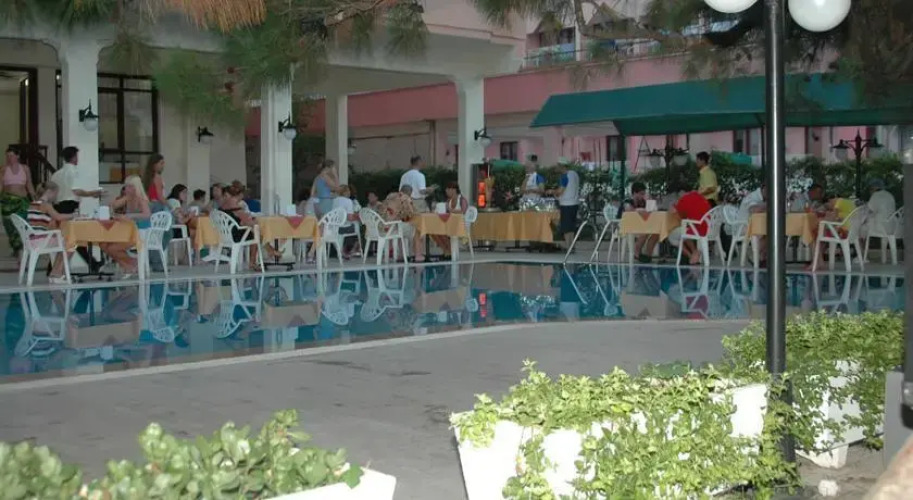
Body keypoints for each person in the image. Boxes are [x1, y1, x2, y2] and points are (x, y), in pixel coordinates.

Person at [50, 146, 104, 271]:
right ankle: (91, 263)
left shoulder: (56, 174)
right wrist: (92, 193)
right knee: (73, 236)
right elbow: (76, 190)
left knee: (69, 237)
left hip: (58, 206)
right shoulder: (73, 172)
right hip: (70, 206)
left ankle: (92, 263)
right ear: (74, 157)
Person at [25, 181, 75, 283]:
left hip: (32, 239)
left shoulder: (33, 203)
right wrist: (74, 215)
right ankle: (57, 273)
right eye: (55, 193)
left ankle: (55, 272)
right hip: (40, 241)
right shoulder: (46, 205)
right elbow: (58, 217)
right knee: (71, 243)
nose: (56, 196)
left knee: (65, 241)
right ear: (49, 192)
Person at [103, 175, 151, 278]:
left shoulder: (141, 199)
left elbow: (147, 214)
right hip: (129, 231)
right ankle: (129, 266)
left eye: (129, 186)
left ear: (136, 187)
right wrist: (115, 202)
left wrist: (130, 216)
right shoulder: (128, 198)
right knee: (103, 244)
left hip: (140, 233)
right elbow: (114, 205)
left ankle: (131, 264)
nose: (126, 189)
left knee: (112, 248)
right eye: (126, 186)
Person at [219, 183, 274, 267]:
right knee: (255, 231)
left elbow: (237, 220)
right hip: (235, 235)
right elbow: (249, 221)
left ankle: (270, 250)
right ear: (240, 194)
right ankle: (257, 258)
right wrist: (253, 221)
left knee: (254, 231)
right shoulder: (235, 206)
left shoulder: (224, 205)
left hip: (226, 234)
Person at [1, 147, 36, 258]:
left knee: (23, 224)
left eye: (11, 156)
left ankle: (24, 247)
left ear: (17, 156)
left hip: (22, 201)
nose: (9, 158)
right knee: (9, 225)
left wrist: (34, 198)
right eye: (7, 156)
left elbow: (29, 184)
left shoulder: (25, 168)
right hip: (8, 201)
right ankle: (16, 247)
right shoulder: (3, 169)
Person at [667, 190, 712, 265]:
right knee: (685, 231)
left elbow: (681, 217)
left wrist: (675, 207)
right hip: (711, 229)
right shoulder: (700, 196)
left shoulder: (683, 201)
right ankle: (694, 252)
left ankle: (690, 255)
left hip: (699, 230)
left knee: (672, 237)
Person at [426, 182, 470, 260]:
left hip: (461, 225)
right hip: (450, 224)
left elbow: (463, 211)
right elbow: (445, 212)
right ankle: (446, 250)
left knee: (441, 230)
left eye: (448, 189)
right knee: (433, 231)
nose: (446, 191)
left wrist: (450, 210)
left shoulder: (462, 200)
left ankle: (449, 251)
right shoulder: (449, 201)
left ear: (453, 190)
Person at [618, 182, 657, 263]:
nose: (643, 196)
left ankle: (647, 255)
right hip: (624, 226)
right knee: (645, 230)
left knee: (656, 232)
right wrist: (639, 210)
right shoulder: (627, 201)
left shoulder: (642, 203)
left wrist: (649, 202)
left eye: (644, 194)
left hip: (639, 226)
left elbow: (651, 212)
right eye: (641, 194)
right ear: (635, 193)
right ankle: (636, 252)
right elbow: (629, 210)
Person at [547, 162, 580, 250]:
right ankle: (572, 245)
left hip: (566, 204)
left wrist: (552, 191)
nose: (556, 169)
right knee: (571, 226)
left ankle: (568, 245)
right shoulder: (574, 174)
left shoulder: (564, 176)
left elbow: (560, 191)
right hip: (575, 203)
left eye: (557, 167)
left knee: (566, 227)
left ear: (562, 167)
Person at [331, 185, 361, 259]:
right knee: (359, 226)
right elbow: (350, 218)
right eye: (348, 191)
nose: (350, 192)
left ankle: (342, 251)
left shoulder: (334, 200)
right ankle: (357, 249)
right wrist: (358, 217)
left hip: (334, 227)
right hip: (344, 228)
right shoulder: (348, 201)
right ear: (345, 192)